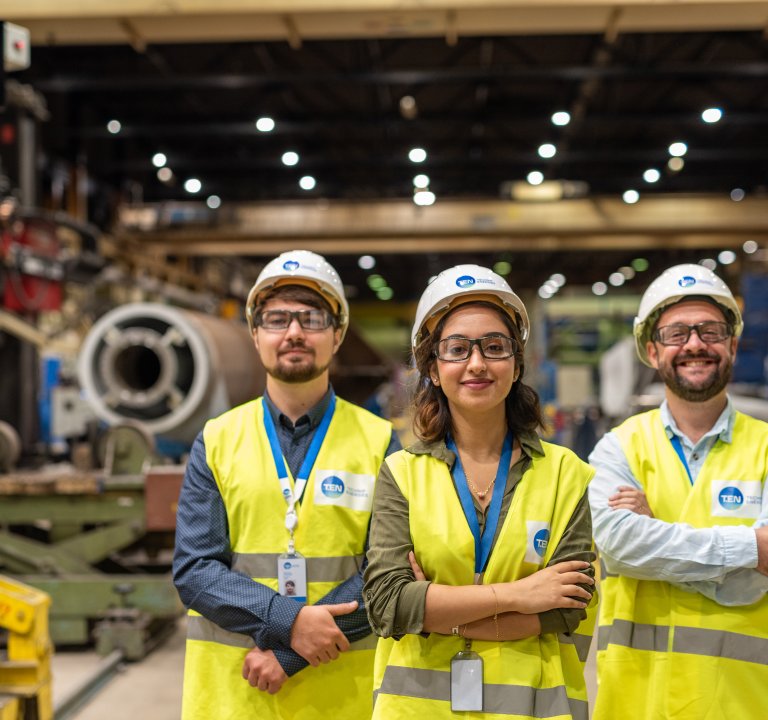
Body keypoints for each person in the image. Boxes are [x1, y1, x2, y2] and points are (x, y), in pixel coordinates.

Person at [173, 249, 400, 720]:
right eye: (277, 319)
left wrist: (290, 653)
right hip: (235, 698)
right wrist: (290, 620)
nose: (294, 332)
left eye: (312, 318)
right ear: (255, 335)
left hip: (343, 700)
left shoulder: (379, 442)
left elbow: (391, 570)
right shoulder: (217, 440)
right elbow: (195, 568)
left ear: (337, 336)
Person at [364, 264, 597, 719]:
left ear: (516, 363)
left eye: (494, 347)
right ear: (433, 367)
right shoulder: (401, 474)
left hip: (533, 708)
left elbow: (566, 609)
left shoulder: (567, 474)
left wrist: (436, 610)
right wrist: (519, 595)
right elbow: (390, 603)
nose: (477, 364)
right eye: (457, 349)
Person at [588, 263, 768, 719]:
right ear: (652, 350)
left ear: (731, 343)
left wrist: (657, 536)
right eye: (677, 334)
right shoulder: (617, 448)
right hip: (636, 702)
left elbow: (750, 589)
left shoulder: (766, 448)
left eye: (710, 331)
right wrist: (749, 546)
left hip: (740, 701)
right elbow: (618, 547)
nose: (694, 344)